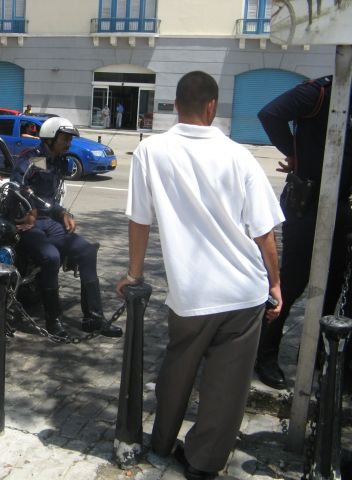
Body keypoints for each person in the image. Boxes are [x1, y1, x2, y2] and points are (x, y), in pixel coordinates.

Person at [116, 71, 283, 479]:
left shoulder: (151, 151)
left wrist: (134, 273)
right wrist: (275, 283)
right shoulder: (239, 155)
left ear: (175, 105)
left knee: (177, 368)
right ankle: (204, 462)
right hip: (243, 291)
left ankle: (160, 445)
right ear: (212, 107)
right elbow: (264, 234)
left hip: (192, 293)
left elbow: (140, 220)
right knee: (226, 387)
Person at [255, 75, 352, 389]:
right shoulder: (321, 92)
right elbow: (269, 113)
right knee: (294, 281)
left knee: (334, 283)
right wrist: (294, 153)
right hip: (307, 200)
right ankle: (265, 353)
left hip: (340, 203)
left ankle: (316, 354)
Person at [9, 117, 123, 339]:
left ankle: (94, 318)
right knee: (51, 257)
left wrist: (63, 213)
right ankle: (53, 320)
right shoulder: (32, 158)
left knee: (88, 251)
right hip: (28, 224)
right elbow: (17, 188)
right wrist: (33, 210)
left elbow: (51, 198)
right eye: (65, 138)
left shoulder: (60, 162)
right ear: (50, 138)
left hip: (50, 222)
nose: (68, 143)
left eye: (70, 139)